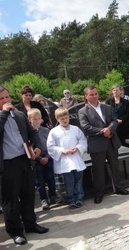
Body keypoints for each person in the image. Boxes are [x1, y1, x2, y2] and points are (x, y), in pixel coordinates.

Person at [0, 85, 49, 245]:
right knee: (11, 199)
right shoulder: (4, 116)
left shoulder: (19, 115)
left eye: (7, 97)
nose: (6, 101)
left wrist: (38, 147)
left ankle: (30, 223)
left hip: (25, 159)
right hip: (7, 165)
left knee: (28, 194)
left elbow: (33, 133)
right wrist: (4, 113)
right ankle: (15, 231)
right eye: (1, 99)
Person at [78, 86, 129, 204]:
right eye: (91, 94)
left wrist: (110, 129)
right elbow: (86, 127)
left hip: (111, 141)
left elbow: (114, 120)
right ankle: (99, 193)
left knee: (115, 166)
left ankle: (118, 188)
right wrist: (102, 132)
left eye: (96, 94)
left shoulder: (107, 107)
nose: (95, 96)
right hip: (97, 144)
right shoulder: (83, 111)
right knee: (98, 170)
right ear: (86, 96)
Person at [47, 108, 88, 209]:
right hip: (65, 161)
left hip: (76, 158)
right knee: (69, 182)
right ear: (57, 119)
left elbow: (83, 140)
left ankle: (79, 197)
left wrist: (77, 147)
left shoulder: (75, 129)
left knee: (78, 180)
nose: (65, 120)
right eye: (62, 119)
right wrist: (61, 150)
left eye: (66, 118)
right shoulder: (54, 132)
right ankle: (71, 199)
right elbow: (50, 146)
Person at [27, 108, 58, 211]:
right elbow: (30, 148)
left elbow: (51, 145)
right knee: (39, 181)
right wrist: (39, 158)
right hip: (36, 159)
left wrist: (47, 157)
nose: (36, 121)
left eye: (38, 119)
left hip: (48, 156)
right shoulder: (28, 133)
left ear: (41, 119)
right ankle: (43, 199)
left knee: (50, 178)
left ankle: (53, 196)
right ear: (29, 119)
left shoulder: (45, 130)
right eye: (34, 119)